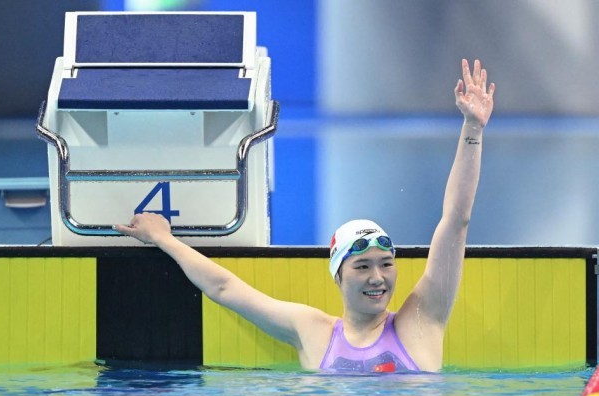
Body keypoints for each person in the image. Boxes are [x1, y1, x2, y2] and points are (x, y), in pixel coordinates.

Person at [115, 59, 495, 373]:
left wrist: (473, 129)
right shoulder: (313, 332)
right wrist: (164, 240)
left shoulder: (420, 322)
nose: (377, 277)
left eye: (385, 264)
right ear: (338, 274)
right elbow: (225, 288)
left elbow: (456, 219)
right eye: (362, 266)